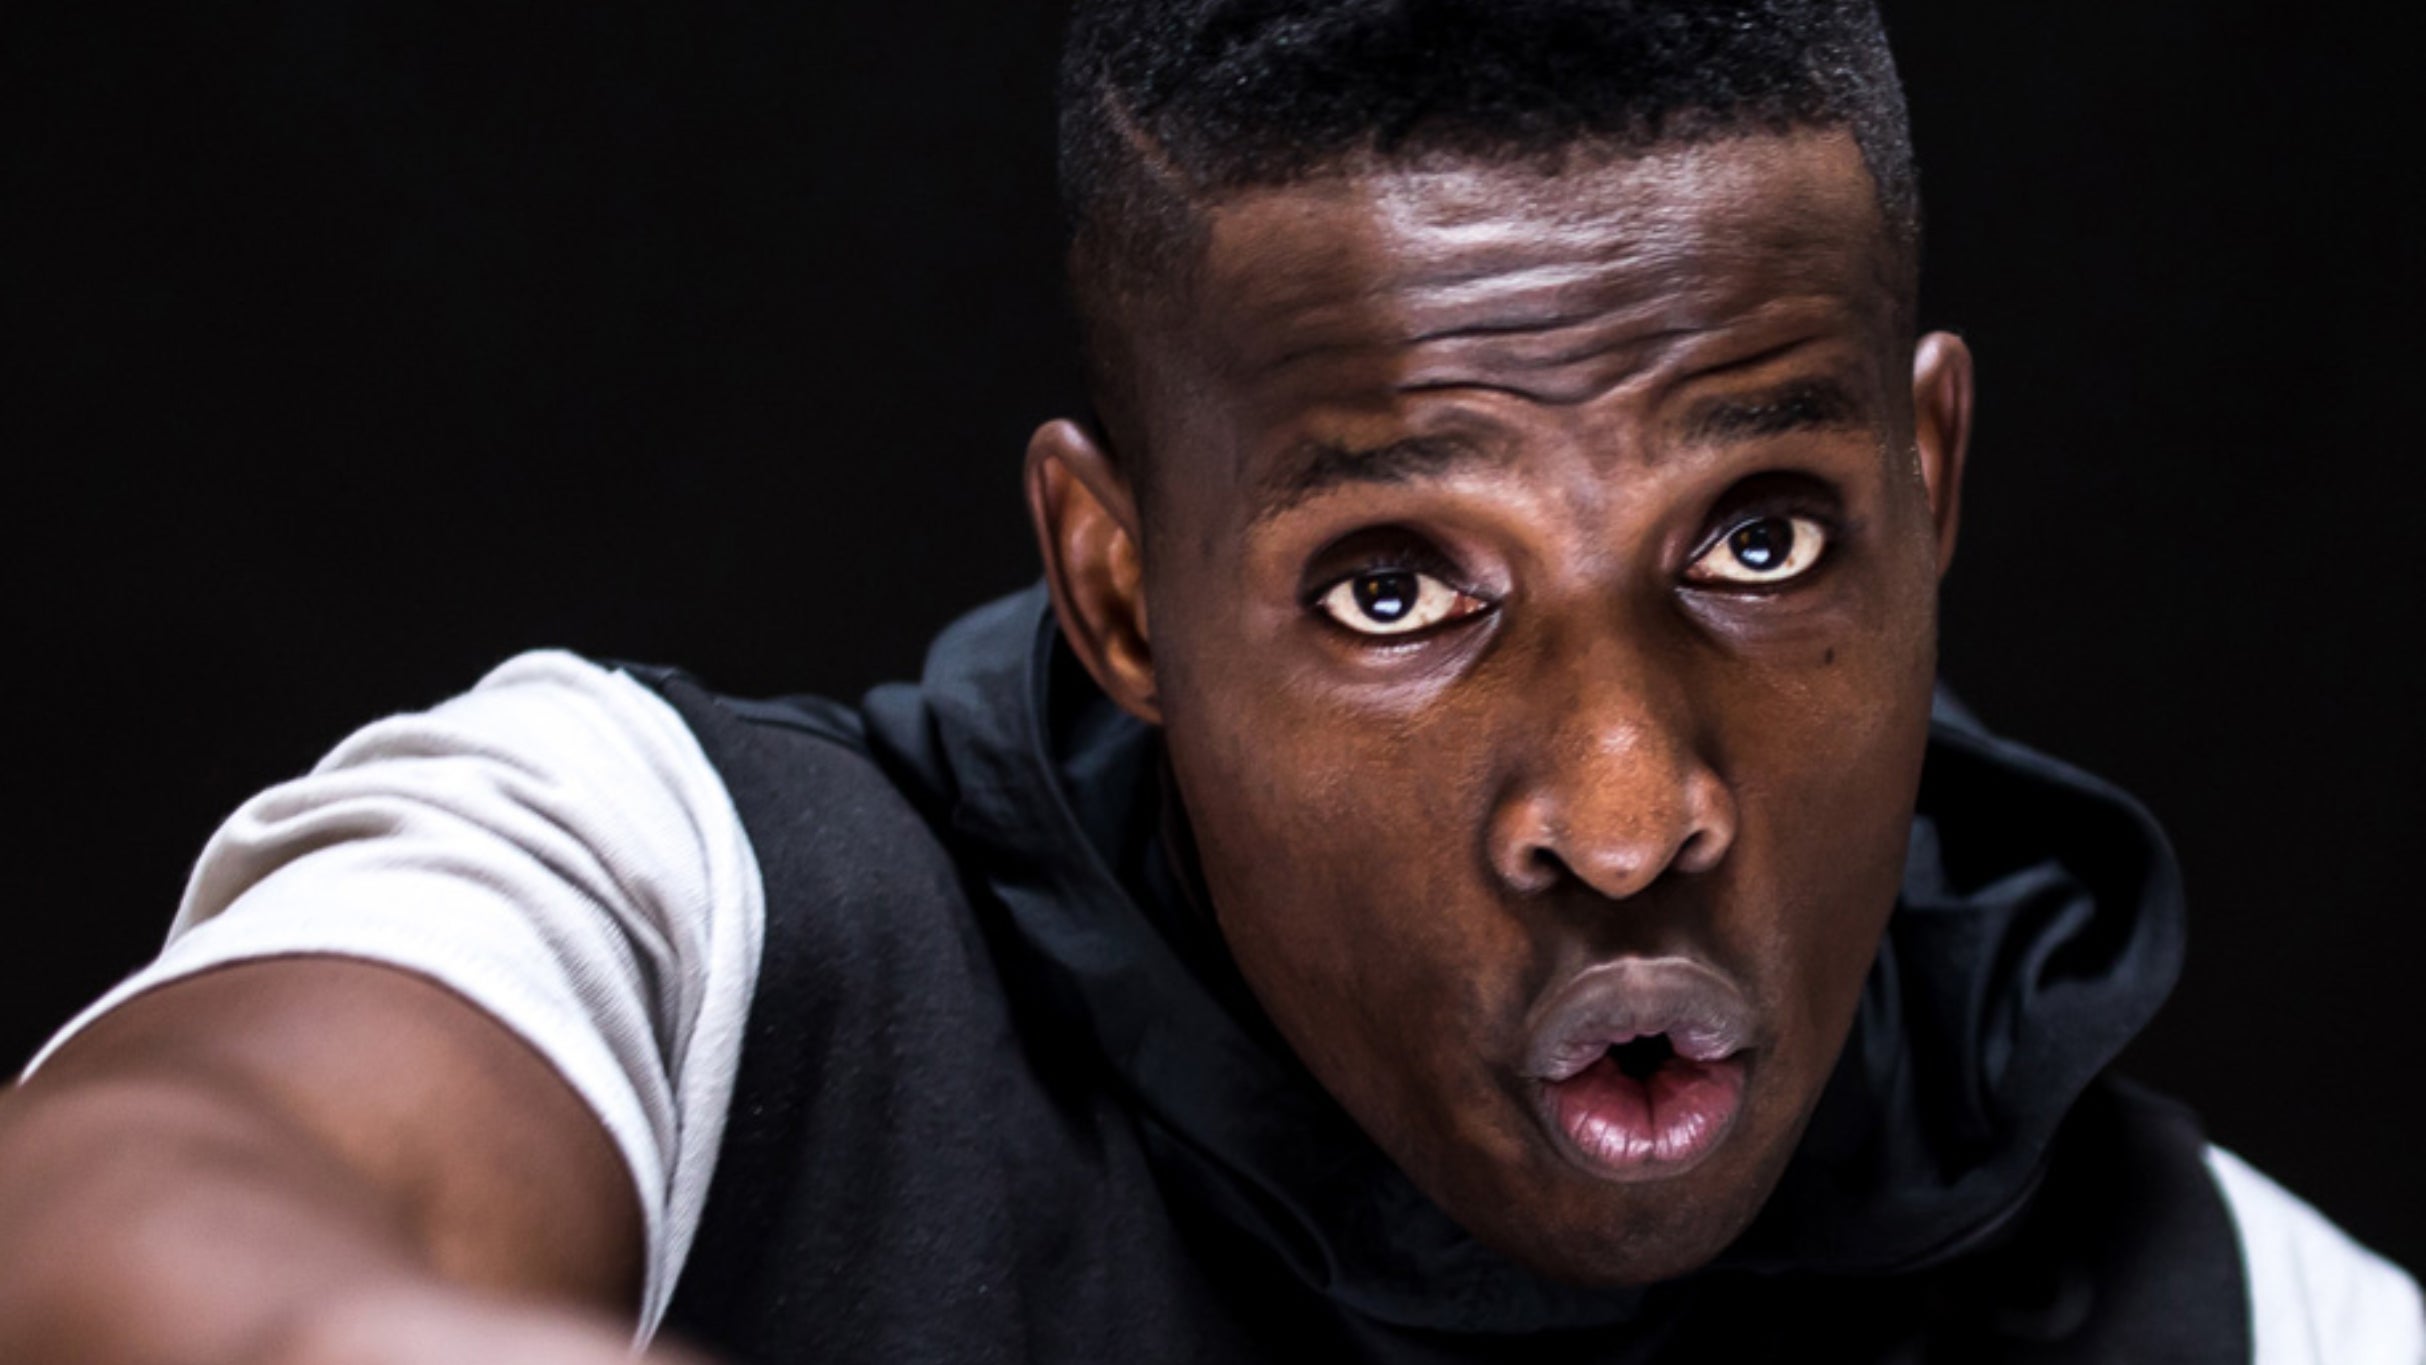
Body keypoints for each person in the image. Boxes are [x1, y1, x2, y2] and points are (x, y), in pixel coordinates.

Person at [0, 1, 2417, 1360]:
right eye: (1393, 585)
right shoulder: (682, 921)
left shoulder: (2245, 1312)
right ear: (1120, 589)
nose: (1622, 810)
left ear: (1930, 477)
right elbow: (136, 1216)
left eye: (1756, 539)